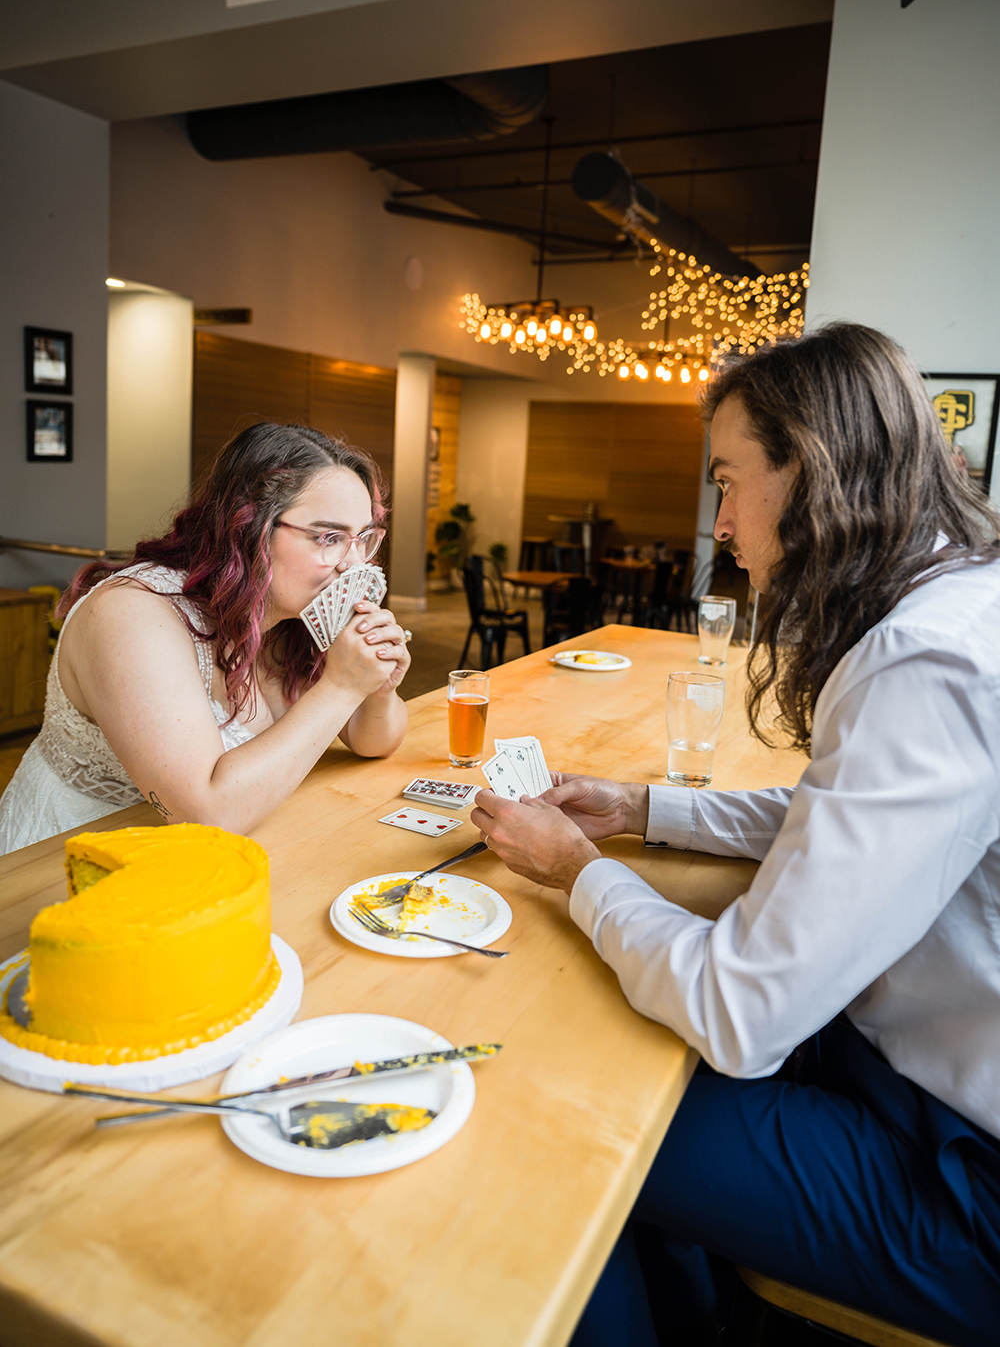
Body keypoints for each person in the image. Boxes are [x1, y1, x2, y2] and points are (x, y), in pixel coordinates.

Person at [472, 324, 1000, 1346]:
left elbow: (741, 1012)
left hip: (968, 1190)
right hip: (911, 1085)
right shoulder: (959, 600)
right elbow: (841, 822)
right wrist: (642, 809)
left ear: (810, 468)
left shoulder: (924, 663)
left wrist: (575, 868)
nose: (719, 524)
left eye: (728, 480)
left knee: (576, 1112)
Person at [0, 422, 410, 856]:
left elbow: (374, 742)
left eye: (364, 538)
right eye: (328, 537)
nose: (353, 566)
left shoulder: (294, 611)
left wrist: (376, 689)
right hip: (65, 864)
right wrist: (341, 685)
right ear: (246, 526)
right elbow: (207, 813)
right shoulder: (133, 615)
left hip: (217, 860)